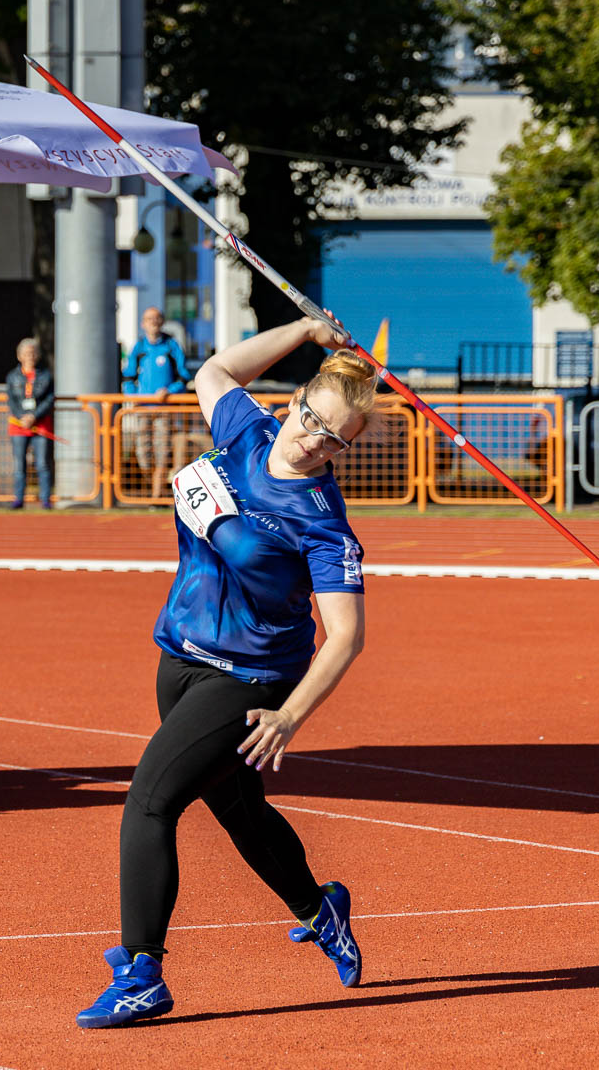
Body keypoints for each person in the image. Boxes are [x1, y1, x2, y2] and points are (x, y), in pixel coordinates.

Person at [78, 315, 370, 1029]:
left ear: (346, 449)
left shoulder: (323, 522)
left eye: (333, 438)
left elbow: (346, 636)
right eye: (309, 418)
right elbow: (214, 371)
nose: (311, 440)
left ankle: (142, 970)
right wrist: (305, 327)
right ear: (295, 401)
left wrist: (289, 716)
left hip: (249, 680)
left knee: (150, 803)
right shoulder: (249, 432)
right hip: (177, 659)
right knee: (236, 809)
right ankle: (318, 907)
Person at [122, 307, 192, 497]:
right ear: (143, 323)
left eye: (156, 318)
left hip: (165, 409)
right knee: (143, 453)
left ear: (161, 321)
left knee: (162, 451)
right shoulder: (139, 347)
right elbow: (128, 377)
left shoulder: (171, 346)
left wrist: (169, 391)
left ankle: (156, 496)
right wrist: (133, 398)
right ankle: (151, 485)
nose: (153, 322)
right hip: (143, 408)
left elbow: (184, 376)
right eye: (148, 319)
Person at [5, 337, 54, 510]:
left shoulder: (46, 376)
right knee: (19, 464)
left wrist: (33, 416)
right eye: (26, 353)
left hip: (40, 426)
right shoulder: (13, 377)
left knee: (42, 463)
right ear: (19, 356)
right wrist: (22, 418)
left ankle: (46, 500)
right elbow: (11, 401)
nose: (29, 357)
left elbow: (49, 400)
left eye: (32, 353)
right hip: (18, 427)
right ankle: (18, 499)